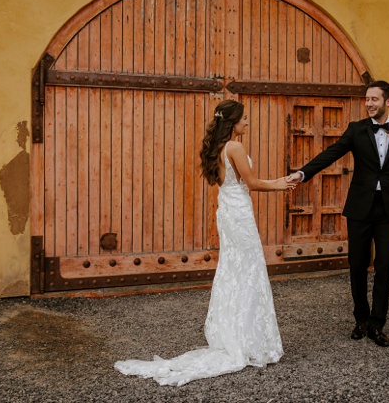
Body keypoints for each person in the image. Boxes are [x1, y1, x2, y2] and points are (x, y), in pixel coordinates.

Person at [115, 99, 294, 386]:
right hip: (239, 214)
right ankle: (248, 338)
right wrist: (281, 183)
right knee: (248, 271)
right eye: (244, 119)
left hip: (228, 211)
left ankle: (237, 334)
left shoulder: (218, 148)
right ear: (233, 122)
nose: (248, 123)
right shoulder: (235, 147)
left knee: (234, 271)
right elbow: (253, 183)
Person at [283, 81, 389, 348]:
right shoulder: (356, 130)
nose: (369, 103)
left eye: (374, 99)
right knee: (358, 265)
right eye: (367, 99)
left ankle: (377, 325)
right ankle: (360, 320)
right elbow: (331, 153)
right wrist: (303, 173)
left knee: (385, 267)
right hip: (360, 209)